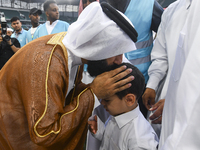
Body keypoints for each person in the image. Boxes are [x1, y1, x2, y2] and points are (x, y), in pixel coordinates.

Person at [0, 2, 137, 149]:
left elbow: (66, 94)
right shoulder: (48, 62)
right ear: (98, 45)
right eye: (116, 52)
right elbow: (45, 133)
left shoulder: (71, 50)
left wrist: (93, 87)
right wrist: (93, 92)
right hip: (15, 137)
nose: (119, 60)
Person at [142, 0, 200, 149]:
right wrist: (152, 86)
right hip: (166, 97)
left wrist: (172, 102)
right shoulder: (172, 11)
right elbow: (161, 55)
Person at [88, 63, 159, 150]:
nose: (102, 103)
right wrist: (100, 131)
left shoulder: (139, 140)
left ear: (129, 100)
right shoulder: (118, 113)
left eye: (107, 100)